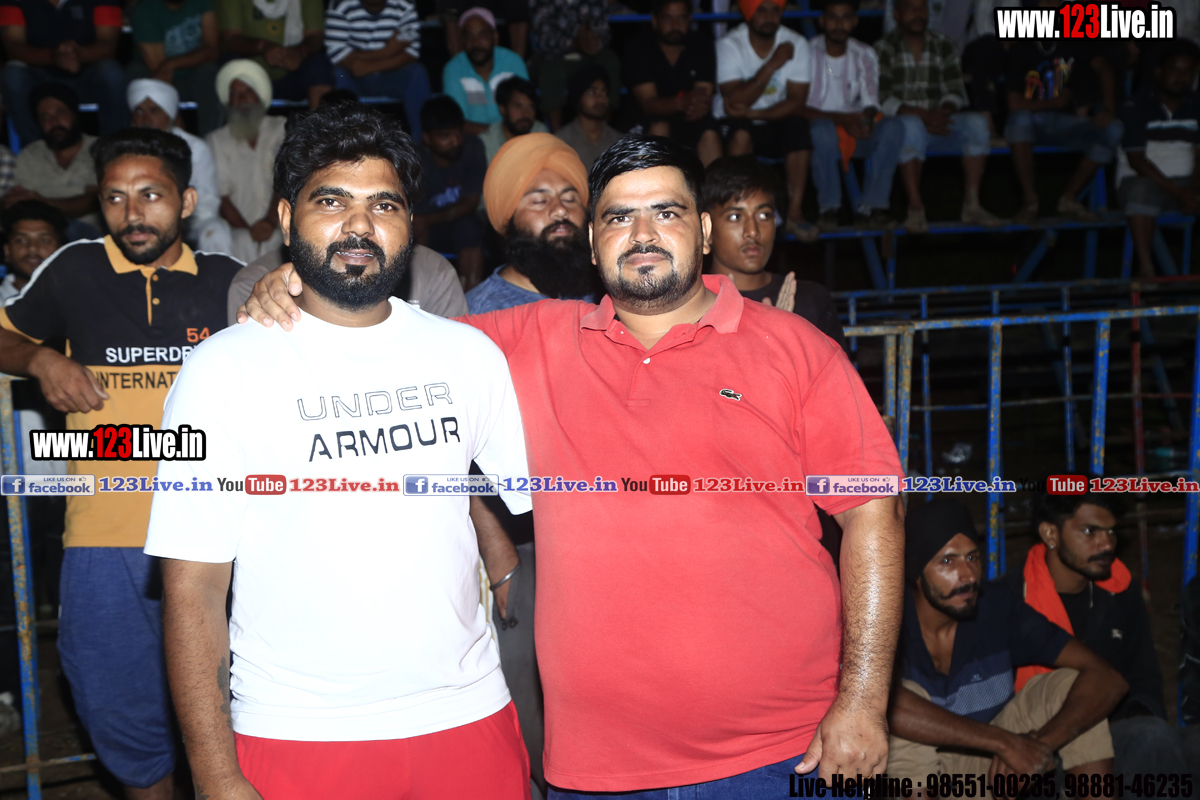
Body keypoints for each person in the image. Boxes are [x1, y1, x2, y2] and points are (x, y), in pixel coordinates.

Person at [243, 134, 907, 796]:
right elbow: (378, 334)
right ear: (592, 242)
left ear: (703, 231)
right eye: (619, 217)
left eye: (666, 212)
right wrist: (297, 285)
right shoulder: (533, 339)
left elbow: (873, 517)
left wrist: (863, 700)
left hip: (784, 752)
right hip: (597, 770)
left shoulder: (797, 350)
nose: (642, 235)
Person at [146, 103, 533, 800]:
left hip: (469, 717)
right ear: (287, 218)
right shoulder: (219, 372)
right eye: (332, 201)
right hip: (295, 732)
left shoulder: (469, 355)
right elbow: (192, 586)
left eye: (384, 204)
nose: (360, 225)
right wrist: (214, 773)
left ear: (410, 223)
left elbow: (531, 504)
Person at [0, 128, 243, 800]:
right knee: (118, 706)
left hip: (218, 536)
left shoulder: (229, 281)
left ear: (187, 200)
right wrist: (40, 358)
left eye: (150, 195)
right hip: (105, 537)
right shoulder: (74, 270)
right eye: (114, 198)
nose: (132, 213)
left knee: (238, 707)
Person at [888, 498, 1126, 783]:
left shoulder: (996, 609)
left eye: (973, 558)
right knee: (898, 708)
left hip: (986, 770)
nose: (968, 575)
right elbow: (886, 705)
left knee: (1071, 687)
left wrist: (1038, 747)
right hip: (911, 779)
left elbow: (1108, 677)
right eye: (948, 561)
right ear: (915, 571)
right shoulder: (886, 622)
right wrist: (1003, 742)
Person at [1015, 491, 1190, 778]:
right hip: (1039, 748)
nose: (1107, 543)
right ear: (1050, 534)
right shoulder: (1013, 600)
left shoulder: (1119, 592)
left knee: (1161, 740)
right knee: (1151, 739)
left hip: (1117, 733)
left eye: (1111, 531)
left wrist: (1132, 724)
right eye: (1090, 531)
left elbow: (1144, 679)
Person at [877, 0, 1002, 232]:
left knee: (976, 123)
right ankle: (915, 207)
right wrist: (924, 116)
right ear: (896, 15)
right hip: (908, 124)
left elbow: (955, 91)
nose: (917, 14)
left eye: (922, 8)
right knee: (910, 125)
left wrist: (944, 111)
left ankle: (972, 205)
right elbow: (882, 99)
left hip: (939, 122)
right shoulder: (883, 48)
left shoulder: (943, 45)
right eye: (910, 8)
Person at [702, 155, 845, 348]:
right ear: (706, 229)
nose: (753, 231)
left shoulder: (810, 301)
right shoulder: (687, 307)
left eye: (764, 215)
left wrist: (786, 338)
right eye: (735, 217)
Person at [1004, 0, 1124, 225]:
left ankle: (1069, 198)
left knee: (1114, 128)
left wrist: (1109, 108)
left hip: (1069, 123)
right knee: (1018, 119)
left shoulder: (1074, 38)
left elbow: (1105, 68)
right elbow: (1014, 104)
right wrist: (1055, 103)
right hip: (1034, 123)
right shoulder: (1022, 47)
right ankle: (1030, 201)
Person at [717, 0, 818, 241]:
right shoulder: (730, 44)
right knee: (740, 135)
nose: (770, 17)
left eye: (775, 10)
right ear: (748, 12)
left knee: (799, 129)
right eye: (761, 9)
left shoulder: (796, 42)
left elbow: (796, 101)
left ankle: (794, 213)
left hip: (774, 117)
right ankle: (738, 212)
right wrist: (773, 64)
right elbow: (735, 99)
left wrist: (753, 114)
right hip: (736, 122)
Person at [804, 0, 905, 232]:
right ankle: (828, 209)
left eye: (846, 17)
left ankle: (873, 208)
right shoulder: (806, 52)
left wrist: (866, 121)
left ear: (854, 21)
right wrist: (843, 120)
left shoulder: (865, 53)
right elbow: (799, 107)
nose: (839, 24)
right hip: (820, 133)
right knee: (821, 130)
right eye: (833, 17)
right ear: (822, 21)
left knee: (893, 127)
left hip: (854, 128)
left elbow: (871, 102)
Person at [1117, 39, 1200, 278]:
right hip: (1145, 177)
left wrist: (1194, 191)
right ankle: (1147, 270)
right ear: (1159, 72)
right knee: (1139, 193)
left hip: (1185, 182)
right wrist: (1178, 193)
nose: (1181, 77)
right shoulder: (1136, 105)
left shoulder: (1196, 105)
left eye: (1188, 72)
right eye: (1175, 70)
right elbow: (1137, 160)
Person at [0, 0, 127, 147]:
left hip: (87, 74)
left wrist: (78, 55)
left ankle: (114, 148)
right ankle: (36, 150)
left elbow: (108, 44)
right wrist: (52, 56)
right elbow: (14, 46)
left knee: (111, 72)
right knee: (12, 75)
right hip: (39, 76)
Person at [128, 79, 231, 255]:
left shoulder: (195, 147)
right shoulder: (125, 150)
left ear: (169, 114)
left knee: (216, 231)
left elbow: (207, 201)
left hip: (189, 221)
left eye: (154, 111)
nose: (145, 119)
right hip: (141, 219)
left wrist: (178, 222)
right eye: (139, 111)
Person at [206, 60, 287, 264]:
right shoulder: (216, 140)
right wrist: (249, 231)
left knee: (280, 240)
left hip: (281, 222)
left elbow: (287, 180)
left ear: (260, 95)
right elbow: (221, 196)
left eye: (249, 92)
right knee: (242, 242)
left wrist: (270, 222)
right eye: (234, 94)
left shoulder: (282, 129)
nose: (242, 100)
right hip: (238, 229)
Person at [624, 0, 721, 166]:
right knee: (660, 128)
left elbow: (703, 97)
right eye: (668, 18)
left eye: (681, 18)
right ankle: (661, 181)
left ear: (689, 20)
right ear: (655, 20)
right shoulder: (639, 46)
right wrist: (681, 101)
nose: (675, 25)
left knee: (709, 132)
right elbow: (649, 104)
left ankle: (714, 183)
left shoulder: (701, 44)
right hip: (648, 119)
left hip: (691, 118)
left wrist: (691, 104)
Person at [5, 83, 102, 239]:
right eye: (45, 117)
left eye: (61, 113)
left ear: (75, 114)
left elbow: (92, 203)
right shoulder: (31, 154)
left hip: (87, 234)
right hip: (40, 233)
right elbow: (19, 202)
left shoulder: (100, 149)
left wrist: (42, 202)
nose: (54, 122)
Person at [324, 0, 432, 139]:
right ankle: (345, 140)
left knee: (417, 73)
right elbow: (337, 54)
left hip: (391, 74)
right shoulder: (340, 4)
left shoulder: (404, 3)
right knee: (339, 75)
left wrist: (365, 64)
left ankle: (421, 142)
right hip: (353, 78)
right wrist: (389, 50)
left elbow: (412, 53)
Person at [415, 96, 488, 289]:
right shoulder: (414, 161)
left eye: (458, 133)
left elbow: (471, 202)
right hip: (426, 232)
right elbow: (417, 220)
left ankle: (471, 296)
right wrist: (425, 222)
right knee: (415, 228)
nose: (455, 141)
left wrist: (429, 219)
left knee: (469, 227)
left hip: (461, 223)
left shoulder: (473, 147)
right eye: (444, 136)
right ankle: (422, 293)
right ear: (427, 138)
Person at [129, 0, 222, 135]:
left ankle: (211, 139)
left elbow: (212, 50)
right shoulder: (144, 10)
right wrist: (181, 133)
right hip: (155, 76)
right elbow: (160, 72)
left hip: (194, 73)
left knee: (210, 72)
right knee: (135, 73)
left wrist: (172, 63)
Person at [217, 0, 333, 108]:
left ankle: (319, 122)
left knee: (320, 66)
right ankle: (242, 122)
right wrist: (262, 47)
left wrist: (299, 52)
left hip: (294, 70)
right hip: (250, 70)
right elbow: (229, 39)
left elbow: (315, 36)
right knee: (232, 64)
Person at [528, 0, 620, 131]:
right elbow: (543, 40)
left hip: (589, 54)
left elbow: (604, 32)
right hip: (555, 54)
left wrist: (594, 41)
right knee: (551, 70)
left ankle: (604, 130)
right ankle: (557, 133)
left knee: (610, 59)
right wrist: (574, 42)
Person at [443, 7, 530, 135]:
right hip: (473, 139)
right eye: (469, 36)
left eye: (483, 35)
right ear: (462, 41)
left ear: (495, 37)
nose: (476, 42)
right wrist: (496, 135)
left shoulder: (513, 62)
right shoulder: (453, 69)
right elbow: (456, 121)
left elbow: (526, 111)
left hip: (514, 135)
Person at [554, 66, 623, 170]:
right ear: (578, 98)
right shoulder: (561, 141)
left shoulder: (619, 141)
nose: (600, 98)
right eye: (591, 93)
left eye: (604, 92)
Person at [0, 200, 67, 303]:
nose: (32, 248)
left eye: (44, 241)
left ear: (60, 252)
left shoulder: (80, 301)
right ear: (7, 251)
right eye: (21, 240)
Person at [480, 77, 549, 166]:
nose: (526, 113)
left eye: (531, 107)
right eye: (518, 106)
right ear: (502, 109)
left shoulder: (540, 132)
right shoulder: (487, 142)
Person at [438, 0, 529, 60]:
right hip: (464, 57)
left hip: (504, 54)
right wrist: (462, 69)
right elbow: (450, 21)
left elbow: (519, 22)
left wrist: (515, 67)